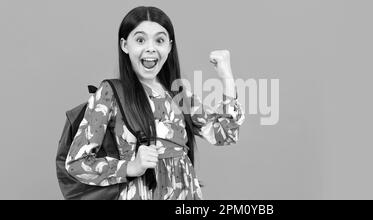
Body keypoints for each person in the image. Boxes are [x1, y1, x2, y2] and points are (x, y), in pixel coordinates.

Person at [65, 6, 245, 200]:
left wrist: (226, 77)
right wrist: (131, 167)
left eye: (159, 40)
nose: (150, 48)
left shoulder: (178, 94)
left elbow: (225, 134)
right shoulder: (111, 93)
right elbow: (76, 163)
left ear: (169, 46)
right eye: (140, 40)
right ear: (125, 45)